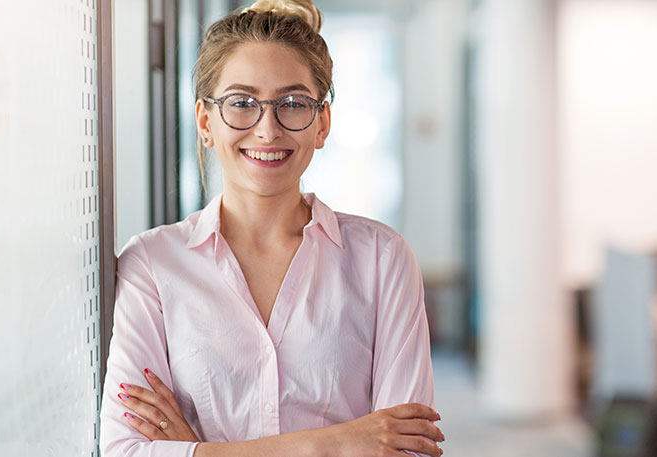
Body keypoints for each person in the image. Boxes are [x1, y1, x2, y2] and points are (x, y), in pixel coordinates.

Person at [99, 1, 441, 456]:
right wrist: (341, 442)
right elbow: (127, 451)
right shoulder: (152, 265)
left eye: (294, 104)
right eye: (241, 103)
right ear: (206, 122)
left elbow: (408, 449)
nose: (267, 129)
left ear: (321, 123)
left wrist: (197, 449)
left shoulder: (382, 259)